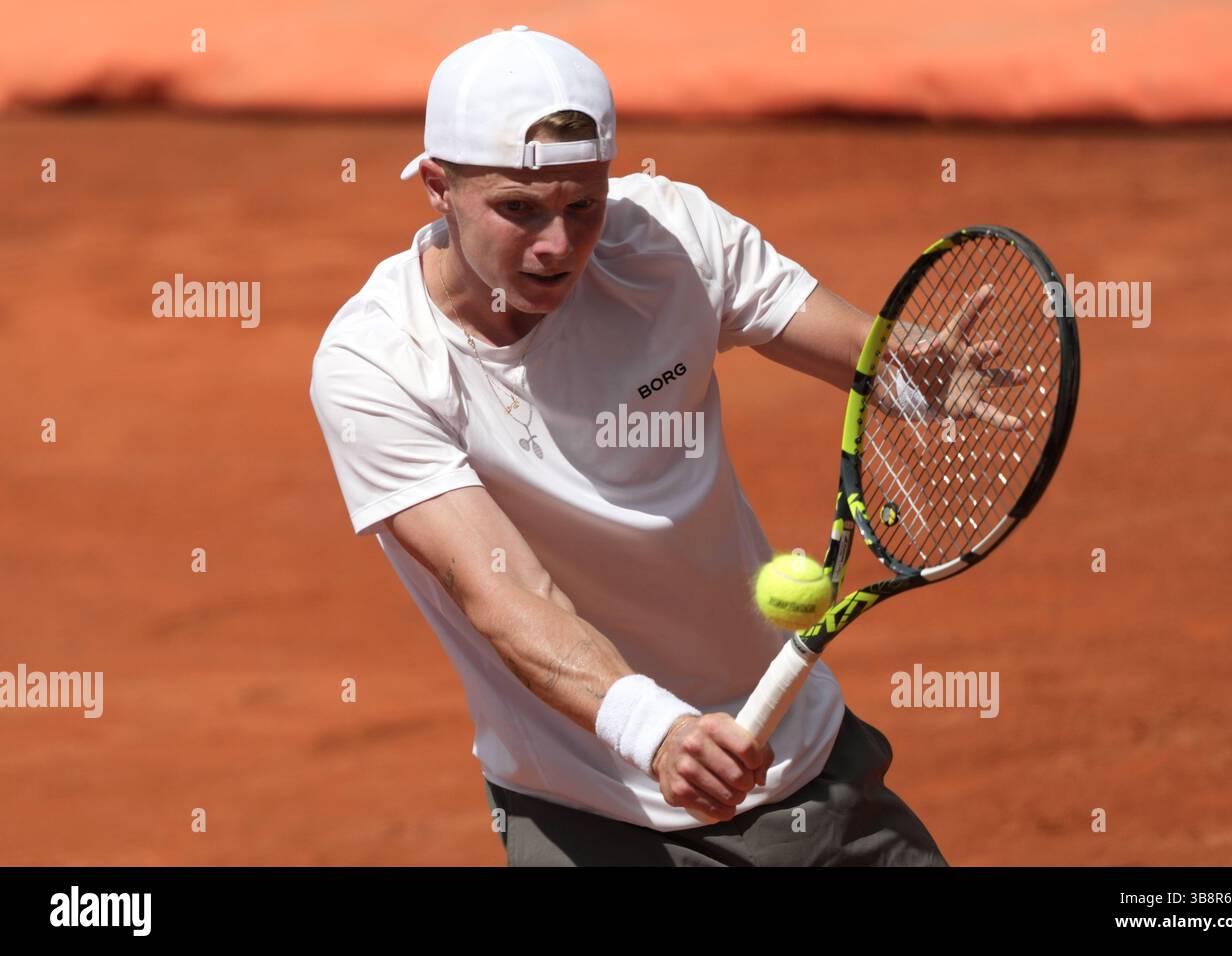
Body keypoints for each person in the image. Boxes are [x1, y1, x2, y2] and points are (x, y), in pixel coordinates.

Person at [309, 26, 949, 866]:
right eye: (519, 209)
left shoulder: (671, 237)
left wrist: (914, 372)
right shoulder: (375, 365)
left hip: (816, 772)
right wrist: (659, 732)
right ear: (437, 185)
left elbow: (856, 347)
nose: (558, 245)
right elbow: (502, 594)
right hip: (598, 818)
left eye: (584, 205)